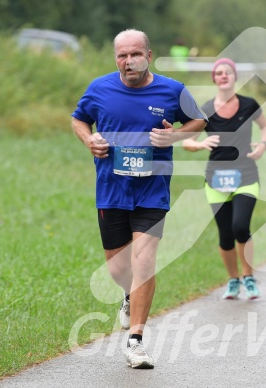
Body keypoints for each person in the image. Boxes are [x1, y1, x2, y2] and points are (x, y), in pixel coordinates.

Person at [71, 29, 207, 368]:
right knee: (118, 268)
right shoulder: (100, 88)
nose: (128, 61)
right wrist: (89, 141)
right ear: (115, 58)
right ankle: (128, 295)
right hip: (112, 191)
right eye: (121, 55)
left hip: (152, 191)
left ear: (149, 54)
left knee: (143, 261)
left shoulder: (172, 90)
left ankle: (136, 341)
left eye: (134, 54)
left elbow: (200, 120)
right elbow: (79, 120)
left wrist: (174, 135)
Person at [182, 58, 266, 300]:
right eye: (219, 73)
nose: (223, 76)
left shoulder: (249, 104)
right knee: (225, 235)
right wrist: (200, 144)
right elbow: (186, 141)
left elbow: (265, 127)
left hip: (246, 175)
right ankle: (233, 280)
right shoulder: (206, 110)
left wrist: (263, 145)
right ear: (214, 79)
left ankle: (248, 277)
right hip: (216, 179)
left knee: (240, 226)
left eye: (228, 72)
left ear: (235, 77)